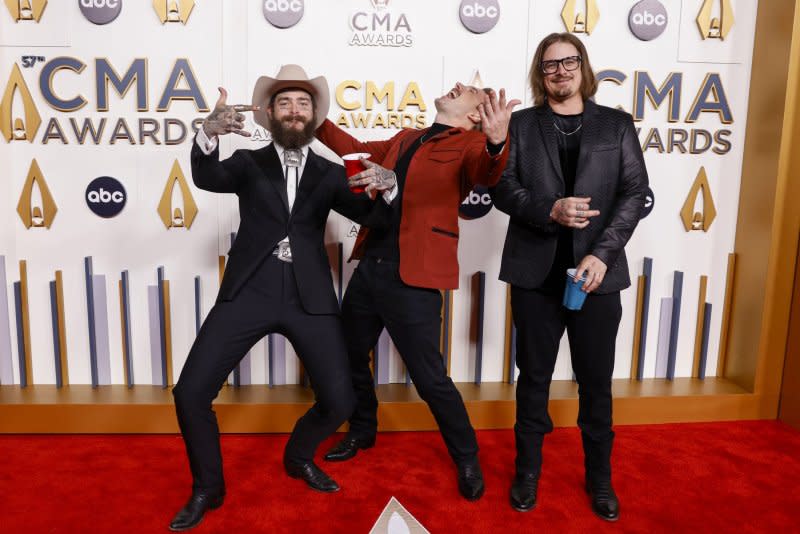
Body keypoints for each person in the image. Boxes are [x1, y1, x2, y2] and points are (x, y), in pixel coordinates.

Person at [168, 65, 395, 531]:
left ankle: (297, 456)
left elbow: (372, 215)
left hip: (309, 295)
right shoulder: (249, 163)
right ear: (271, 112)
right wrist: (208, 133)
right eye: (286, 103)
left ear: (313, 116)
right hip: (249, 288)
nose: (295, 111)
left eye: (303, 104)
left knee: (339, 401)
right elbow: (207, 175)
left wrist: (389, 188)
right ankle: (208, 488)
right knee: (191, 392)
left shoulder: (333, 172)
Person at [316, 80, 519, 501]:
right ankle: (363, 430)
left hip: (416, 279)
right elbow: (355, 147)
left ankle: (466, 456)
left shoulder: (470, 145)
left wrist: (497, 142)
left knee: (429, 379)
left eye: (469, 89)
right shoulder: (407, 137)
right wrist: (313, 118)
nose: (458, 84)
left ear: (476, 114)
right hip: (370, 267)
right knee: (351, 357)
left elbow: (487, 170)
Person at [491, 33, 648, 521]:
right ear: (540, 74)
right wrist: (550, 210)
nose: (559, 71)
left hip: (596, 276)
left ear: (583, 66)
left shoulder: (617, 125)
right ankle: (528, 473)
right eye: (549, 64)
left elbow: (635, 193)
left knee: (596, 383)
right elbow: (503, 191)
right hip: (535, 275)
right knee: (533, 378)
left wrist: (603, 253)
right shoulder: (519, 125)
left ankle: (599, 479)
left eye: (568, 62)